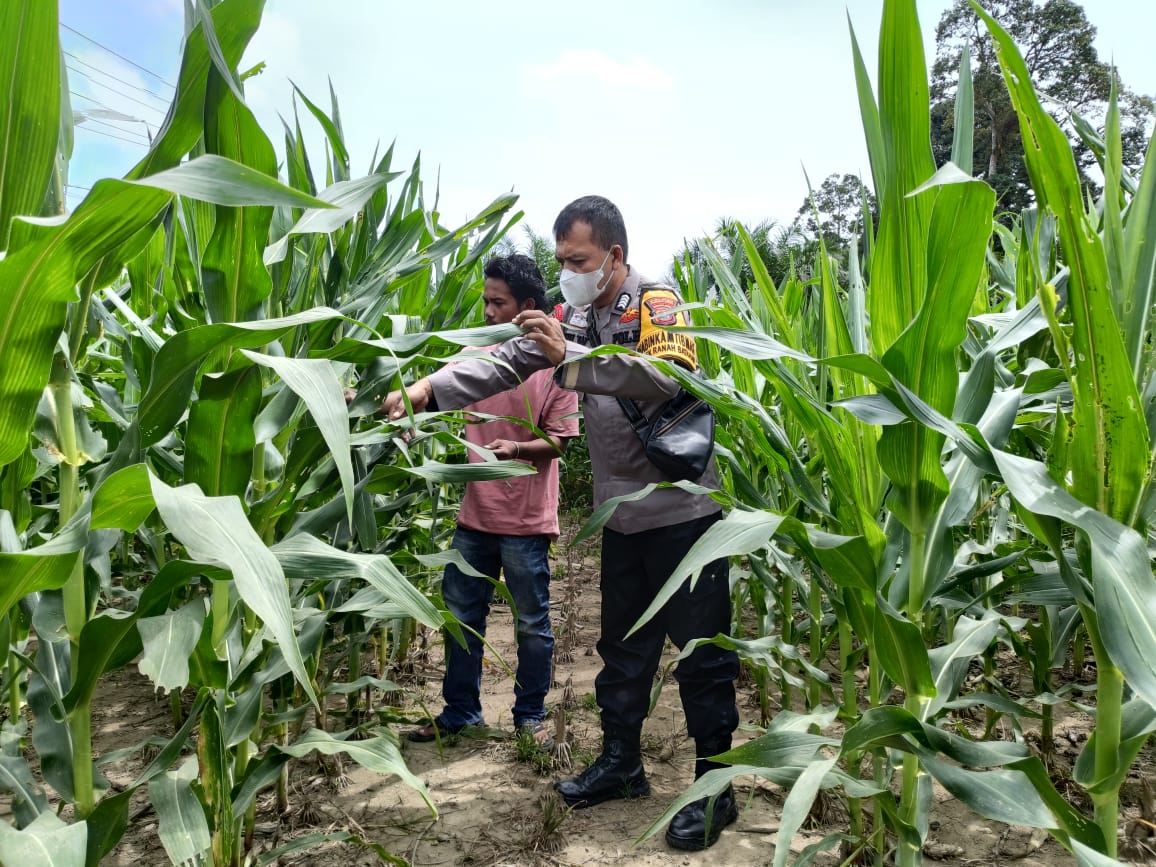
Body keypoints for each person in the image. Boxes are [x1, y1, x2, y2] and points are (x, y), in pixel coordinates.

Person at [384, 197, 740, 851]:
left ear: (614, 256)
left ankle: (715, 787)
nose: (567, 271)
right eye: (562, 261)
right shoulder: (572, 313)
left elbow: (665, 376)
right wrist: (428, 389)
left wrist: (570, 357)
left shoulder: (656, 300)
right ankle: (622, 764)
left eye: (577, 259)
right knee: (623, 650)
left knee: (701, 657)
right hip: (623, 517)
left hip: (685, 515)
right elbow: (510, 361)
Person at [404, 254, 579, 749]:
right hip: (474, 516)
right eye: (484, 300)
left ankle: (530, 716)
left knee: (531, 623)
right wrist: (393, 402)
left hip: (526, 520)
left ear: (526, 308)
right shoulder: (472, 355)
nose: (486, 312)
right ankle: (461, 711)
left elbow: (561, 440)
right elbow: (431, 395)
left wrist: (516, 450)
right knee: (461, 618)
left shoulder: (556, 362)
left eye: (496, 302)